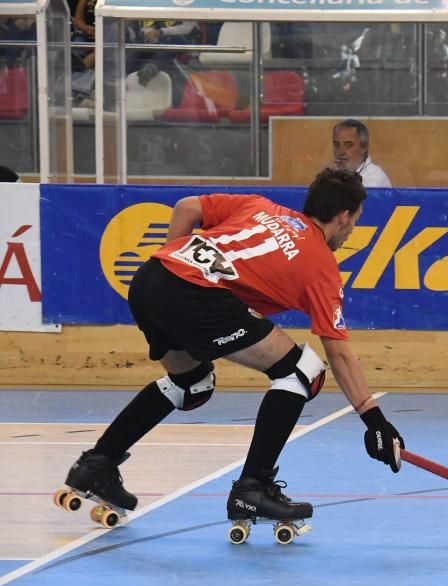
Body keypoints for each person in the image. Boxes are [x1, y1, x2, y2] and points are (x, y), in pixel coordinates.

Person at [57, 168, 405, 530]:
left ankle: (97, 465)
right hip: (195, 296)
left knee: (192, 384)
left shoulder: (261, 207)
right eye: (354, 223)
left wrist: (173, 269)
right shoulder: (321, 266)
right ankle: (252, 488)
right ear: (344, 216)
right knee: (304, 371)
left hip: (151, 279)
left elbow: (186, 208)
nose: (350, 233)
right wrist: (373, 419)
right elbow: (338, 352)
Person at [331, 119, 392, 188]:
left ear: (364, 146)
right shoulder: (336, 175)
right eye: (336, 144)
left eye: (348, 145)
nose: (340, 152)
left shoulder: (374, 178)